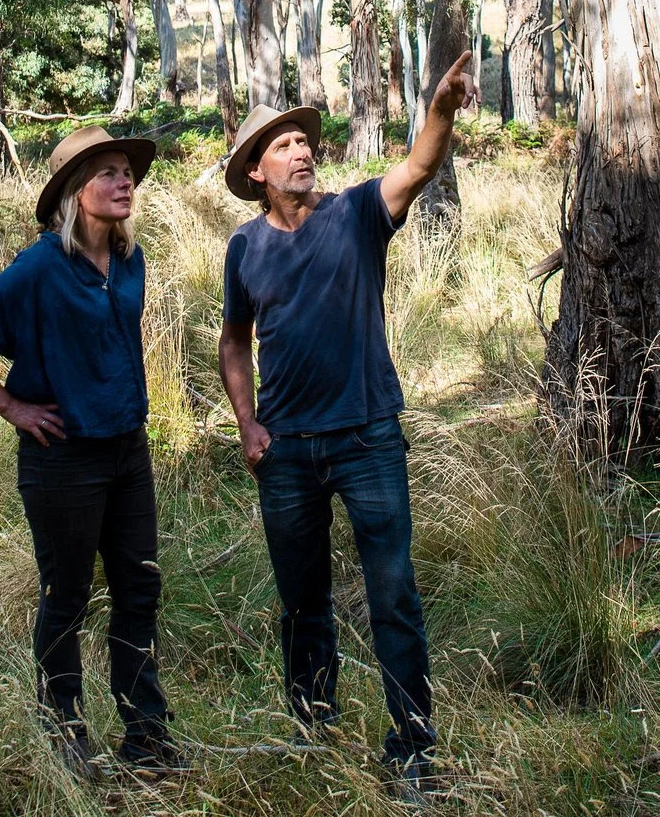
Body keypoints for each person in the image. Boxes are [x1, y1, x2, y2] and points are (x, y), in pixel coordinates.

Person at [218, 52, 480, 801]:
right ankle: (314, 728)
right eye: (284, 146)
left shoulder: (359, 210)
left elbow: (419, 167)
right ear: (258, 172)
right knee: (303, 601)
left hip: (367, 435)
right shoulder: (244, 247)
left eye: (305, 141)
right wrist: (247, 423)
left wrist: (441, 109)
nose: (302, 150)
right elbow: (235, 341)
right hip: (286, 449)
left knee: (392, 591)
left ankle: (413, 749)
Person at [0, 126, 181, 778]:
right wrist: (11, 405)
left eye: (127, 170)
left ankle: (146, 734)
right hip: (63, 459)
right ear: (75, 191)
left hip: (128, 450)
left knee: (139, 589)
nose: (124, 180)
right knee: (66, 596)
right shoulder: (41, 265)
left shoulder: (131, 261)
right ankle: (65, 733)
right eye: (107, 172)